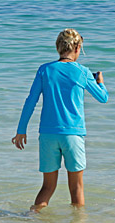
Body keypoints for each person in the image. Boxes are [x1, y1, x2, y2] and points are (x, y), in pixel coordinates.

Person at [12, 28, 108, 211]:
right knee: (76, 188)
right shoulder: (82, 71)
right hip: (73, 134)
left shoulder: (45, 70)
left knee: (47, 187)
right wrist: (100, 81)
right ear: (78, 47)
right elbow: (103, 97)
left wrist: (21, 130)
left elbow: (30, 101)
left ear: (58, 47)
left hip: (48, 135)